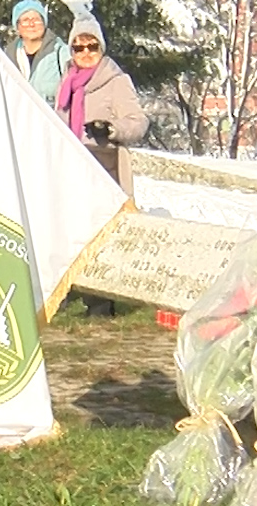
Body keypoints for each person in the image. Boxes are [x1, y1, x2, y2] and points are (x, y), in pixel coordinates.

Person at [56, 16, 147, 317]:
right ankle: (74, 289)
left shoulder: (116, 80)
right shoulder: (67, 82)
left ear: (101, 47)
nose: (84, 53)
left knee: (102, 232)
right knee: (73, 230)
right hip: (73, 162)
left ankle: (102, 303)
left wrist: (110, 129)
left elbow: (138, 123)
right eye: (78, 47)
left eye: (91, 46)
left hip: (104, 162)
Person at [5, 0, 70, 106]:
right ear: (17, 27)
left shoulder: (61, 53)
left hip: (51, 120)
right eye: (25, 20)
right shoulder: (8, 57)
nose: (31, 24)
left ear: (44, 24)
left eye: (36, 19)